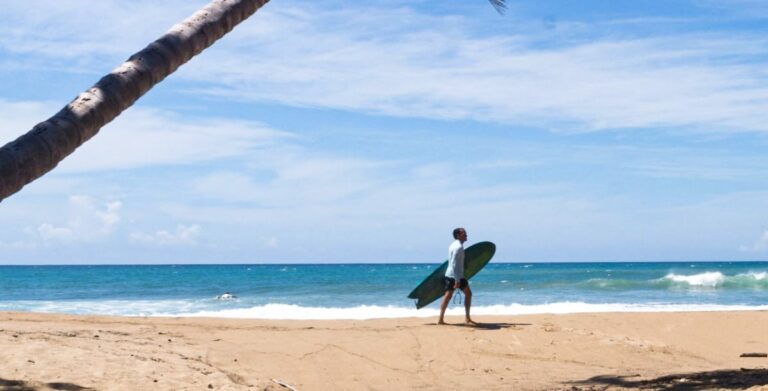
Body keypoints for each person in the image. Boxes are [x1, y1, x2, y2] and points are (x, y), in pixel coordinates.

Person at [438, 227, 477, 325]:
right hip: (456, 276)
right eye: (464, 233)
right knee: (468, 294)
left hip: (451, 274)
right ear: (458, 235)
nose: (466, 235)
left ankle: (440, 319)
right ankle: (467, 318)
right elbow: (454, 263)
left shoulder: (453, 245)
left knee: (448, 296)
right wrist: (457, 280)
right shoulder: (458, 247)